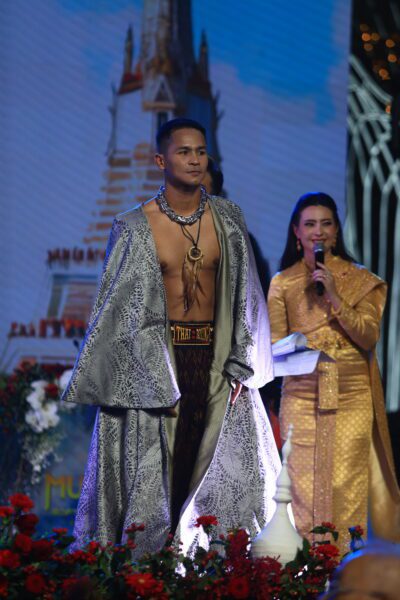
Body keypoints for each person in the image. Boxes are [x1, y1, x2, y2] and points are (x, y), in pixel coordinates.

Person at [63, 118, 280, 555]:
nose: (195, 160)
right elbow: (116, 311)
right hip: (157, 368)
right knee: (159, 475)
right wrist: (141, 371)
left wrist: (241, 361)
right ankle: (149, 568)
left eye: (201, 151)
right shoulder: (133, 226)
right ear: (161, 160)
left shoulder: (229, 220)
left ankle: (214, 566)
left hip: (217, 365)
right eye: (184, 152)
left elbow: (246, 296)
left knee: (218, 477)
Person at [267, 192, 400, 554]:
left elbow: (368, 336)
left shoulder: (361, 280)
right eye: (310, 224)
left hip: (352, 396)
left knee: (345, 484)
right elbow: (275, 346)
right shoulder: (283, 283)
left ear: (336, 232)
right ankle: (304, 571)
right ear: (297, 233)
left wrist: (335, 296)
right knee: (301, 485)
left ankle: (343, 566)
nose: (318, 231)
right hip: (302, 395)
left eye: (326, 223)